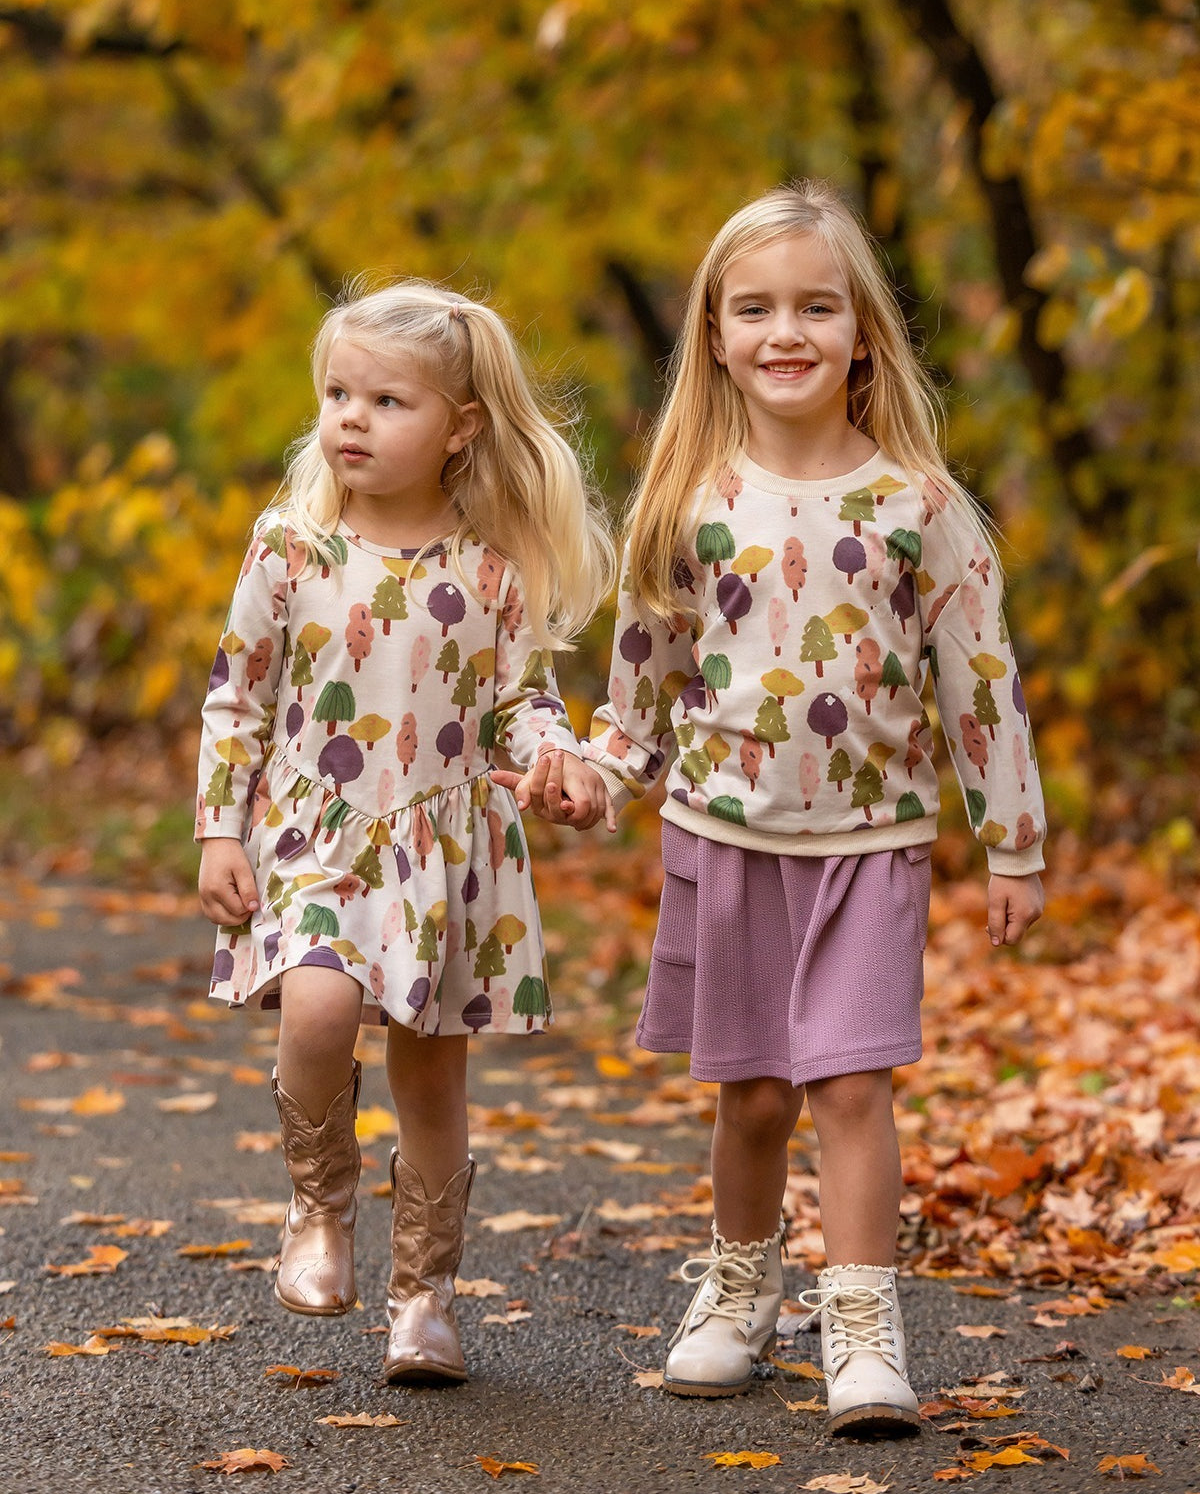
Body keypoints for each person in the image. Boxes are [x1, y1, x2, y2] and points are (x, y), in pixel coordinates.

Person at [511, 182, 1045, 1434]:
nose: (784, 330)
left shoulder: (921, 506)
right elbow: (645, 690)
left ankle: (863, 1320)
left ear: (865, 330)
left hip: (872, 841)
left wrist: (1013, 840)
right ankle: (742, 1288)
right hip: (724, 833)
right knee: (751, 1089)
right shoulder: (687, 504)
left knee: (853, 1083)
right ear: (713, 331)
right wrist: (594, 773)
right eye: (754, 308)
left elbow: (983, 683)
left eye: (817, 305)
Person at [196, 279, 614, 1386]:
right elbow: (235, 694)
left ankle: (425, 1294)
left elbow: (521, 698)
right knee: (321, 1002)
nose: (350, 418)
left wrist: (553, 758)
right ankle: (319, 1203)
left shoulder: (490, 565)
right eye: (338, 392)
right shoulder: (290, 546)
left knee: (432, 1077)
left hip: (445, 845)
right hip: (317, 834)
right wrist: (217, 829)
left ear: (459, 426)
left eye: (387, 398)